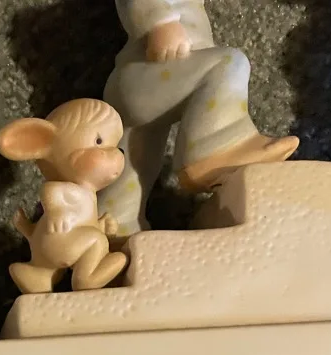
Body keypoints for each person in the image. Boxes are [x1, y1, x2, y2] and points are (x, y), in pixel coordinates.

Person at [99, 0, 299, 236]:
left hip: (154, 80)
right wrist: (159, 23)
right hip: (143, 75)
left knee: (138, 156)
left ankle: (115, 220)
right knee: (226, 65)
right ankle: (216, 147)